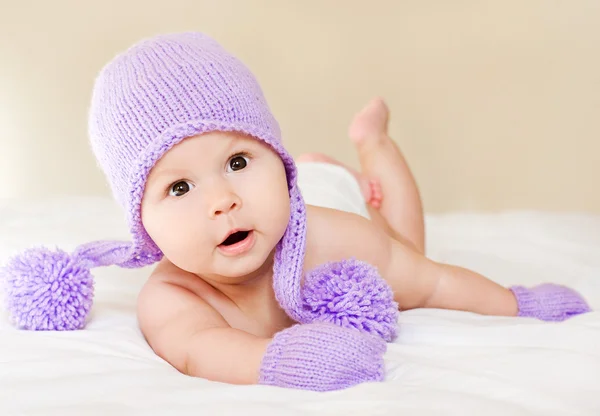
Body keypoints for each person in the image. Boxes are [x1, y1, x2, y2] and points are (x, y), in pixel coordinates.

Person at [1, 32, 591, 392]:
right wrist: (283, 359)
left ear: (275, 162)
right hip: (301, 182)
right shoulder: (173, 299)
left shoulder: (333, 238)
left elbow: (433, 280)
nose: (221, 200)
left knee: (410, 249)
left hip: (327, 191)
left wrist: (517, 302)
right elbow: (201, 350)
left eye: (238, 161)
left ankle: (374, 146)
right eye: (178, 189)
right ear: (142, 225)